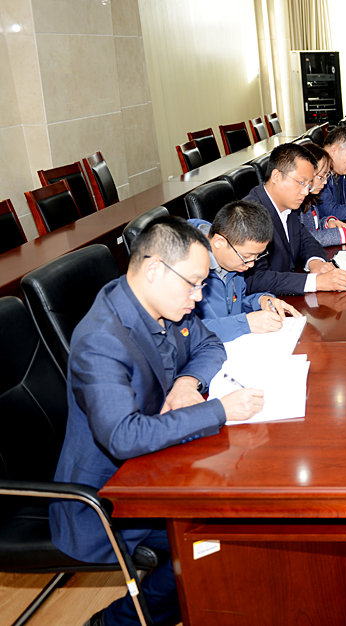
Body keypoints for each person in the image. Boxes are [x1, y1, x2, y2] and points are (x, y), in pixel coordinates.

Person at [50, 217, 265, 626]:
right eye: (193, 284)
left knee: (243, 514)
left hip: (160, 464)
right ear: (153, 270)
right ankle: (115, 622)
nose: (199, 297)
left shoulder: (161, 302)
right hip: (106, 497)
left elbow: (209, 344)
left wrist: (186, 382)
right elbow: (123, 437)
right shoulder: (101, 340)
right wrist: (220, 410)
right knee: (222, 534)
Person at [243, 142, 346, 295]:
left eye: (309, 185)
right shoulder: (250, 215)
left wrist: (315, 262)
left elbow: (306, 240)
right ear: (276, 176)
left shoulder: (288, 205)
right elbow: (255, 280)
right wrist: (316, 282)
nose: (306, 192)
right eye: (301, 183)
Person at [188, 200, 301, 342]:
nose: (251, 264)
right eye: (247, 256)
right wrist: (244, 324)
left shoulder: (233, 261)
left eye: (257, 256)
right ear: (219, 242)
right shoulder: (182, 266)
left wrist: (261, 300)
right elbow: (184, 332)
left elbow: (233, 306)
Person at [299, 142, 346, 246]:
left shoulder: (310, 199)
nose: (325, 182)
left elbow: (314, 225)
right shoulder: (295, 205)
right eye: (322, 176)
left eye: (326, 176)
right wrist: (344, 235)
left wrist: (328, 223)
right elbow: (303, 240)